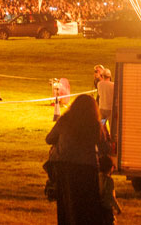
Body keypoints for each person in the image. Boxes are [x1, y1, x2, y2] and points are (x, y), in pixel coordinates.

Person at [46, 94, 109, 224]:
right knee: (86, 204)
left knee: (66, 203)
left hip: (64, 168)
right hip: (87, 168)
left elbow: (49, 139)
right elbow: (104, 147)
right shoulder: (94, 124)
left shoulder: (64, 120)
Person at [99, 154, 121, 223]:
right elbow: (111, 196)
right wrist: (117, 208)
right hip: (106, 208)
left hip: (98, 207)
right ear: (110, 167)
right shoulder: (109, 180)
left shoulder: (97, 177)